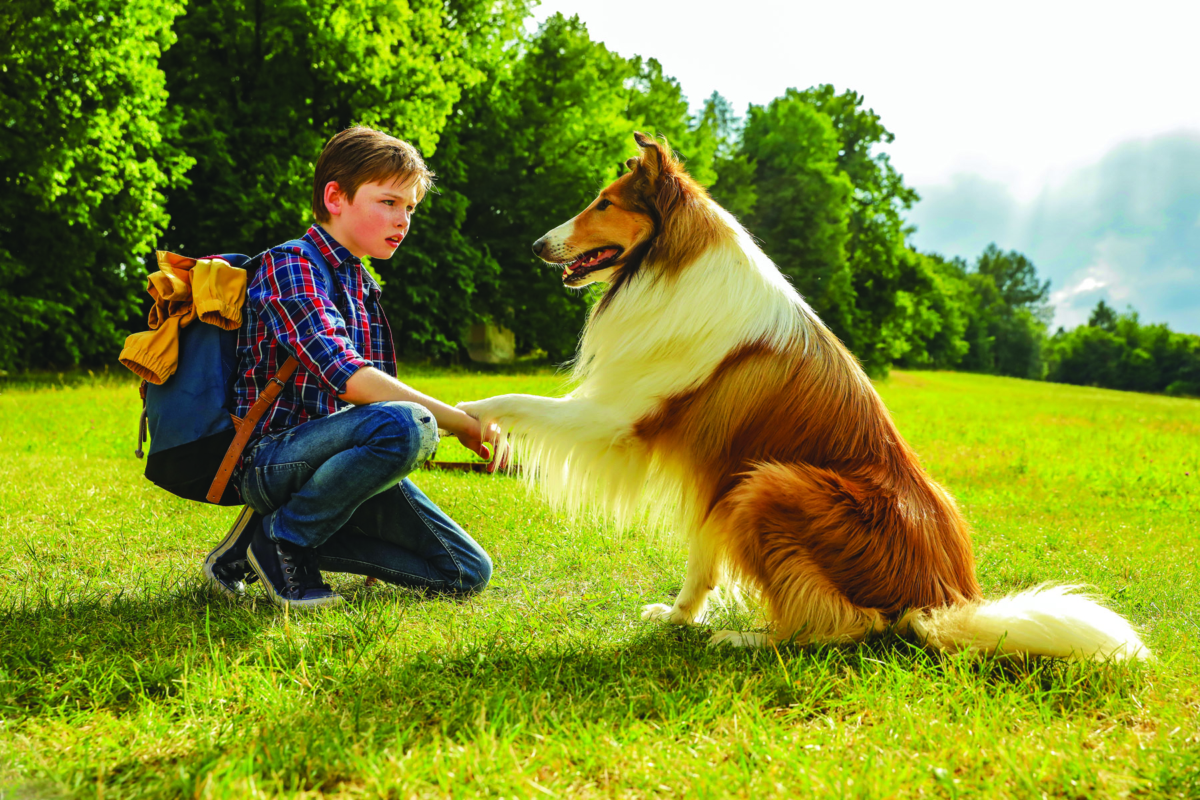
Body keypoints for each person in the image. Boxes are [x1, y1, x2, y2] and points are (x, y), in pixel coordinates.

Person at [201, 126, 497, 609]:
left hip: (335, 461)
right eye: (389, 202)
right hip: (269, 460)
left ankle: (250, 547)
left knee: (465, 571)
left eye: (410, 208)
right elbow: (351, 379)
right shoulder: (290, 265)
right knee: (409, 424)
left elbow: (375, 402)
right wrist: (461, 423)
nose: (402, 220)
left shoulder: (363, 285)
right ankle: (283, 541)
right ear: (335, 197)